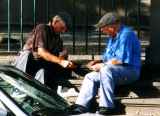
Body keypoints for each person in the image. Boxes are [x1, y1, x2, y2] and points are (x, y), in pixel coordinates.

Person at [69, 12, 141, 115]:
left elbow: (121, 60)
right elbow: (109, 58)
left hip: (130, 71)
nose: (102, 31)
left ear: (113, 26)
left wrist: (103, 65)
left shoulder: (126, 35)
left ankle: (106, 106)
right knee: (90, 76)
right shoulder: (113, 36)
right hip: (114, 71)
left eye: (103, 28)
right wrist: (98, 62)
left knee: (105, 69)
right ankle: (81, 105)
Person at [15, 12, 75, 91]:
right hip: (27, 64)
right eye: (62, 28)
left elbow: (59, 55)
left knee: (50, 72)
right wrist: (61, 61)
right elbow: (42, 52)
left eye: (65, 30)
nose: (63, 31)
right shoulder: (43, 28)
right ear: (55, 22)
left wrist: (64, 54)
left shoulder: (57, 38)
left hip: (41, 66)